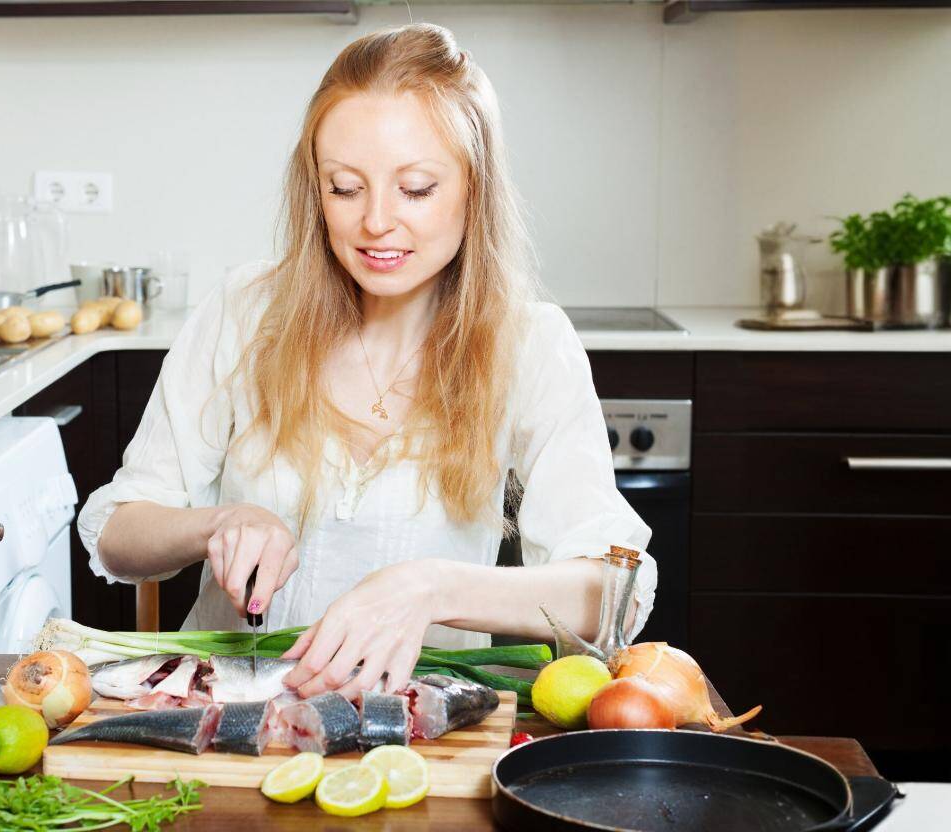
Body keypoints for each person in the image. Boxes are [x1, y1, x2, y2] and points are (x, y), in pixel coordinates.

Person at [77, 23, 655, 700]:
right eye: (345, 188)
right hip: (233, 714)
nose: (376, 222)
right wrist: (216, 523)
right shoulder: (245, 310)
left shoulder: (528, 342)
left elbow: (614, 589)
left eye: (415, 188)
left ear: (474, 188)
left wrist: (430, 587)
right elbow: (118, 533)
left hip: (411, 727)